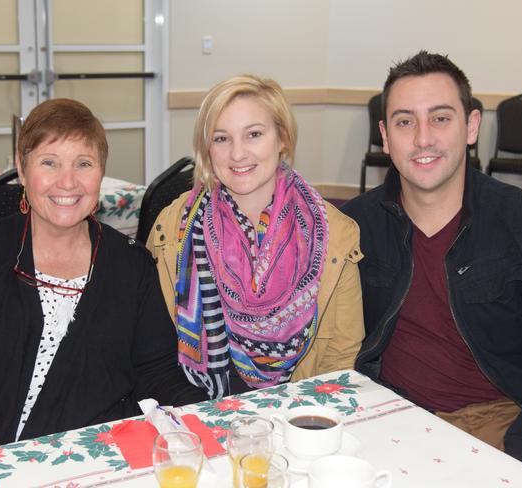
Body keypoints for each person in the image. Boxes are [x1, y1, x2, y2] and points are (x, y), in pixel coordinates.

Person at [0, 98, 205, 468]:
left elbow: (157, 372)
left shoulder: (130, 265)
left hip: (84, 460)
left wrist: (209, 421)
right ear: (22, 169)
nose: (67, 182)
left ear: (101, 172)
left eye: (83, 164)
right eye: (49, 162)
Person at [342, 51, 522, 464]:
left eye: (441, 118)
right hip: (384, 417)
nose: (423, 138)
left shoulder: (521, 223)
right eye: (405, 121)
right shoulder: (351, 229)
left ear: (472, 126)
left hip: (496, 424)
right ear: (386, 135)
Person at [148, 75, 365, 399]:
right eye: (221, 138)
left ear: (282, 138)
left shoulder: (334, 234)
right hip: (198, 410)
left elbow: (341, 355)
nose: (238, 154)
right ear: (206, 149)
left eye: (253, 134)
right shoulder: (173, 226)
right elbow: (154, 349)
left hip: (299, 414)